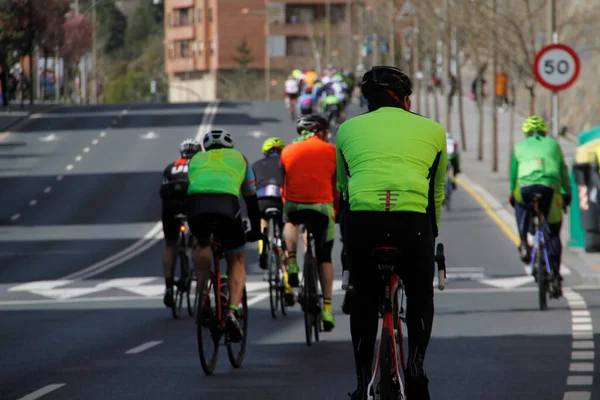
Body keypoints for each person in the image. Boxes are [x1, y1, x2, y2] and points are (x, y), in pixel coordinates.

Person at [337, 66, 447, 400]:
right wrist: (432, 231)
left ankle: (360, 382)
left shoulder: (345, 129)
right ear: (403, 99)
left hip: (363, 224)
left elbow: (342, 188)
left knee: (363, 299)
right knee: (420, 294)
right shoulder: (433, 130)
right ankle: (415, 369)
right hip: (412, 226)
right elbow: (435, 193)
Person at [186, 129, 263, 343]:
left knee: (202, 245)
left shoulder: (195, 159)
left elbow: (190, 188)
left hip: (197, 206)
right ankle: (231, 312)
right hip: (226, 206)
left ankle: (203, 296)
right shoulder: (241, 158)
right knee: (236, 258)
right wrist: (256, 230)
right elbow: (251, 199)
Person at [280, 114, 339, 331]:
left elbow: (283, 184)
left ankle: (293, 261)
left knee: (290, 219)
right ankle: (327, 308)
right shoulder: (331, 151)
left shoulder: (287, 151)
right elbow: (337, 187)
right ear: (321, 132)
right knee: (325, 258)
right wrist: (338, 212)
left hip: (295, 205)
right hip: (323, 208)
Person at [509, 115, 571, 296]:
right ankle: (555, 275)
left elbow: (514, 176)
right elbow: (563, 172)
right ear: (544, 132)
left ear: (526, 133)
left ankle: (523, 242)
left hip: (526, 186)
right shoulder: (553, 145)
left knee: (519, 202)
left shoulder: (519, 147)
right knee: (552, 233)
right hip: (550, 187)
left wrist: (512, 194)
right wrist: (567, 193)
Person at [159, 139, 202, 308]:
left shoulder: (170, 167)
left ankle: (168, 288)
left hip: (171, 209)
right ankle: (201, 288)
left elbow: (162, 192)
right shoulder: (201, 166)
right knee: (201, 243)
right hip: (192, 206)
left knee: (170, 246)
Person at [252, 137, 295, 305]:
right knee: (284, 239)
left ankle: (263, 248)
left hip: (262, 200)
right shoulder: (287, 163)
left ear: (265, 152)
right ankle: (288, 286)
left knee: (263, 220)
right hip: (281, 200)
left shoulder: (256, 165)